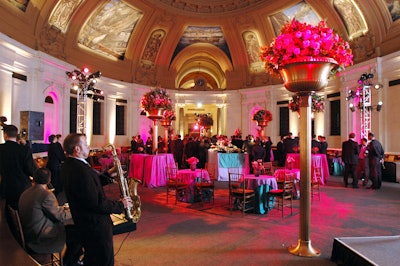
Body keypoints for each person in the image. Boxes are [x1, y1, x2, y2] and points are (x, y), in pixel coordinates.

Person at [60, 133, 133, 266]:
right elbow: (95, 203)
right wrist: (120, 205)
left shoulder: (70, 165)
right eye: (85, 144)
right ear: (77, 149)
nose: (88, 147)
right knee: (103, 260)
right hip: (95, 226)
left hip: (85, 222)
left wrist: (108, 174)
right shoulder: (80, 170)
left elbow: (89, 186)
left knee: (92, 258)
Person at [18, 168, 81, 265]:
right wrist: (75, 211)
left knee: (73, 232)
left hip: (30, 232)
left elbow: (50, 211)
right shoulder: (46, 195)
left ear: (33, 179)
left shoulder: (25, 193)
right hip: (42, 236)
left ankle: (71, 261)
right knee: (79, 235)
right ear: (49, 180)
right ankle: (69, 263)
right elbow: (59, 216)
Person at [0, 124, 36, 209]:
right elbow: (30, 170)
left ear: (5, 135)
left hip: (6, 185)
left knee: (9, 210)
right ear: (16, 135)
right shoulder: (24, 149)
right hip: (22, 186)